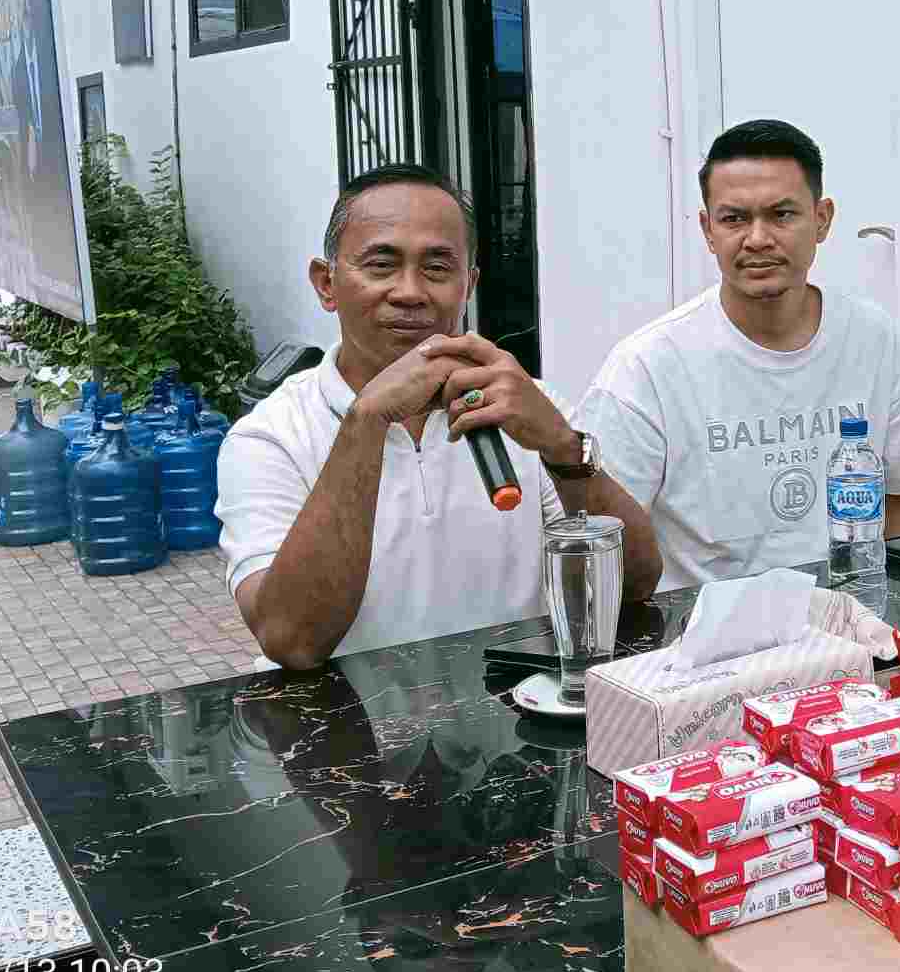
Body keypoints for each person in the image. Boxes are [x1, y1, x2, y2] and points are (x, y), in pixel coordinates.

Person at [216, 163, 661, 668]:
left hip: (509, 729)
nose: (410, 292)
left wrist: (563, 446)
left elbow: (637, 584)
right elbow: (292, 640)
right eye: (381, 265)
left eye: (437, 267)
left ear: (468, 285)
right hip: (344, 736)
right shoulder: (269, 438)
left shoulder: (523, 406)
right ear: (327, 283)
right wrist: (367, 421)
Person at [574, 119, 900, 589]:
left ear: (822, 220)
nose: (757, 238)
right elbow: (603, 541)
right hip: (704, 648)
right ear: (707, 229)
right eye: (734, 218)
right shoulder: (648, 366)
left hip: (854, 633)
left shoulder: (871, 338)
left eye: (782, 214)